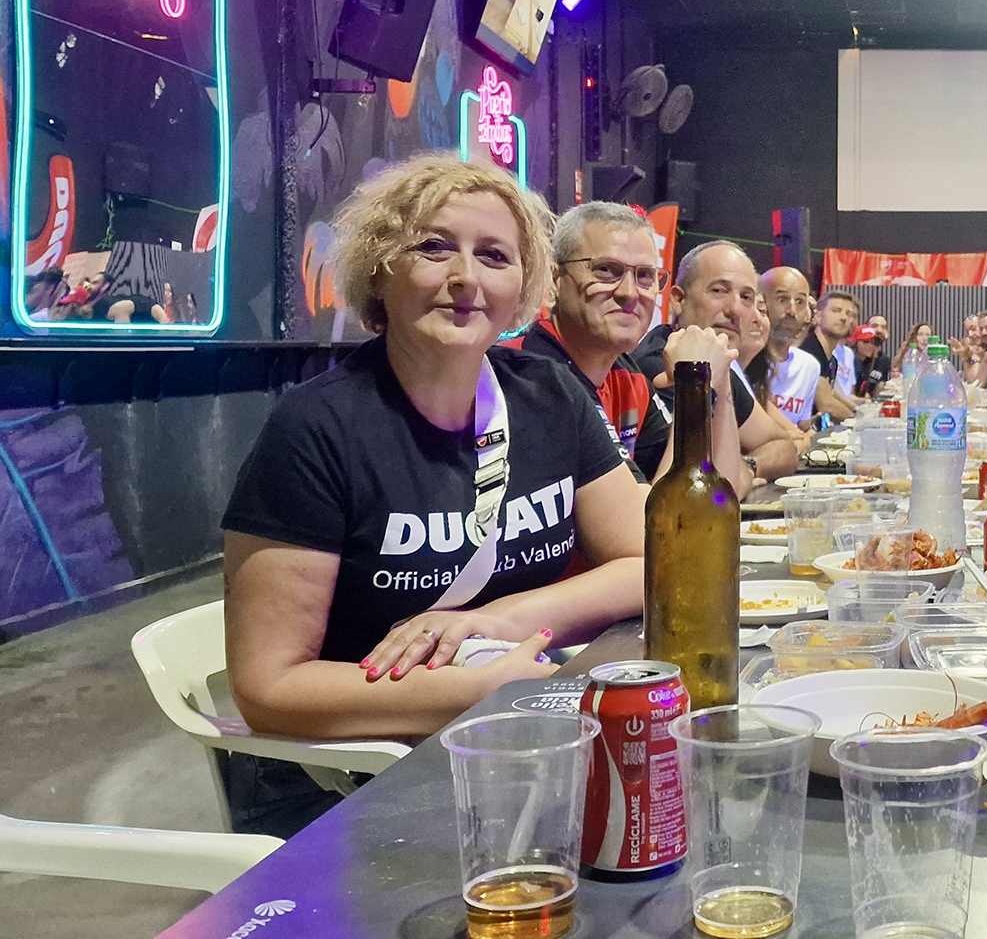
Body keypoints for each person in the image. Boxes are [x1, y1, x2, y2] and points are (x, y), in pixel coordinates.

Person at [219, 156, 673, 832]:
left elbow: (651, 560)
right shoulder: (317, 428)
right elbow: (269, 687)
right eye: (434, 247)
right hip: (342, 779)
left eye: (494, 255)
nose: (466, 277)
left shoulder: (550, 397)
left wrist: (503, 620)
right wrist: (479, 689)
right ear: (380, 268)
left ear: (524, 285)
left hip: (513, 747)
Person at [501, 201, 712, 482]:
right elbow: (655, 507)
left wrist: (717, 387)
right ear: (554, 280)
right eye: (605, 270)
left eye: (645, 275)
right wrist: (695, 385)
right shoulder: (529, 376)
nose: (629, 293)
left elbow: (714, 488)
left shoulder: (628, 377)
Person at [633, 240, 803, 488]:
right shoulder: (658, 367)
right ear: (679, 300)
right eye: (718, 291)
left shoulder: (718, 364)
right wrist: (735, 475)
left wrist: (748, 466)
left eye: (746, 297)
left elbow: (784, 447)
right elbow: (705, 491)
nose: (735, 309)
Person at [758, 267, 826, 427]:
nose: (792, 311)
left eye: (800, 302)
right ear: (761, 304)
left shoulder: (809, 366)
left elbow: (802, 426)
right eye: (782, 299)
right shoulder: (743, 361)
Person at [800, 289, 862, 420]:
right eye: (836, 311)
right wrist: (858, 422)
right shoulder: (809, 351)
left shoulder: (832, 360)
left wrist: (859, 412)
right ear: (817, 316)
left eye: (849, 314)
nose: (844, 318)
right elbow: (826, 404)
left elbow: (831, 393)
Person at [851, 324, 889, 398]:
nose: (870, 346)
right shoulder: (851, 362)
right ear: (855, 343)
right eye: (865, 342)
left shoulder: (870, 363)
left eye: (873, 342)